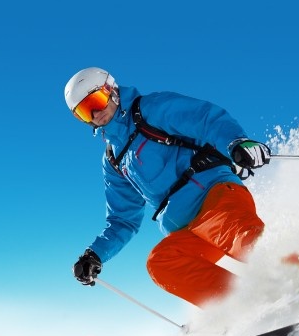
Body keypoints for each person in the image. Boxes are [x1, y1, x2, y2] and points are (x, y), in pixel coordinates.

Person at [66, 66, 275, 307]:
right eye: (83, 112)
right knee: (162, 263)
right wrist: (95, 254)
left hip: (214, 198)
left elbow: (206, 119)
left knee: (243, 240)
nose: (95, 114)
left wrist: (237, 142)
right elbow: (123, 219)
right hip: (187, 230)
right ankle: (246, 307)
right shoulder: (113, 160)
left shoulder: (150, 110)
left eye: (95, 101)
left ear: (110, 90)